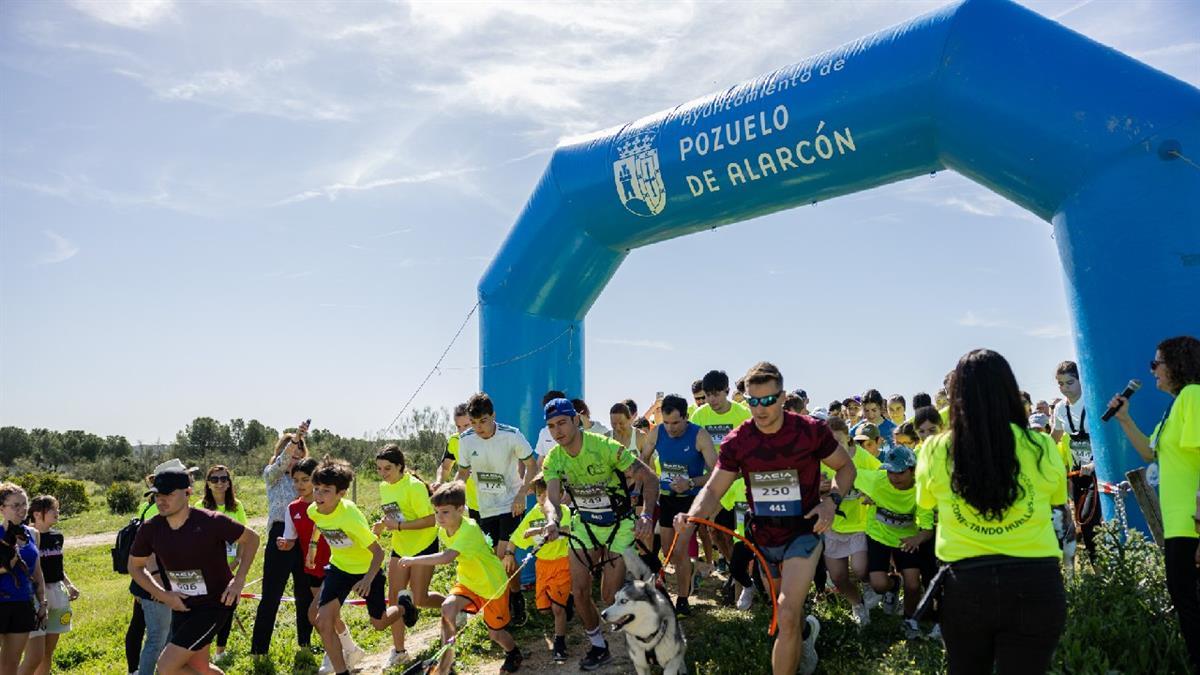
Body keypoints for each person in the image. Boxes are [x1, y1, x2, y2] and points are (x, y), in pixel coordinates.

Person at [677, 361, 855, 675]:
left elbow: (845, 467)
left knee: (785, 614)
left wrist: (831, 502)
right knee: (787, 612)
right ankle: (804, 637)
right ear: (746, 399)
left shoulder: (810, 432)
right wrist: (691, 518)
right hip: (763, 538)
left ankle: (796, 644)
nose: (761, 409)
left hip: (803, 531)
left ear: (783, 397)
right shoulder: (739, 440)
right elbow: (715, 488)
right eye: (754, 401)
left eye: (768, 400)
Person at [915, 348, 1067, 674]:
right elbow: (1057, 499)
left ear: (955, 397)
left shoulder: (935, 448)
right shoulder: (1041, 446)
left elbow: (926, 502)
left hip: (966, 584)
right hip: (1036, 581)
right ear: (1009, 392)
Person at [540, 398, 658, 671]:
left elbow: (649, 478)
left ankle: (646, 617)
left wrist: (647, 515)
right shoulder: (554, 458)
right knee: (579, 591)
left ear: (576, 421)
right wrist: (551, 519)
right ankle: (598, 646)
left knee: (609, 596)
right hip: (586, 524)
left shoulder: (604, 447)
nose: (557, 431)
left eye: (561, 423)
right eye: (551, 426)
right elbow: (552, 499)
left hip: (619, 524)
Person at [1109, 335, 1200, 670]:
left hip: (1193, 524)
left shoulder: (1193, 396)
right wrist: (1124, 418)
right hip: (1180, 524)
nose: (1152, 371)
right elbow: (1150, 451)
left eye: (1156, 363)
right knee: (1187, 604)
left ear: (1177, 364)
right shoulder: (1176, 405)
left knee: (1191, 607)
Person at [129, 463, 259, 675]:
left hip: (215, 604)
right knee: (199, 668)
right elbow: (135, 566)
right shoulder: (151, 528)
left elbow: (251, 539)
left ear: (188, 493)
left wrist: (238, 580)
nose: (161, 500)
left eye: (168, 495)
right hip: (182, 605)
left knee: (166, 667)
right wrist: (164, 595)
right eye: (157, 495)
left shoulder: (210, 521)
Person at [397, 481, 523, 675]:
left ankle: (513, 653)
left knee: (495, 634)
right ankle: (447, 665)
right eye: (437, 512)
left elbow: (447, 558)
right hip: (468, 582)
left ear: (461, 509)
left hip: (492, 584)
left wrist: (413, 561)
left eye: (445, 512)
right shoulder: (443, 530)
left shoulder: (469, 529)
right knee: (447, 608)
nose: (440, 517)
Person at [307, 458, 411, 675]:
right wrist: (313, 546)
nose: (318, 495)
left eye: (326, 491)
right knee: (323, 622)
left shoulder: (351, 518)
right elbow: (320, 523)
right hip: (339, 569)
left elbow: (378, 553)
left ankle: (404, 605)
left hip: (366, 570)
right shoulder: (314, 510)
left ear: (341, 493)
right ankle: (342, 671)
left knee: (379, 623)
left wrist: (367, 579)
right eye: (316, 488)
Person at [453, 392, 537, 626]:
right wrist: (452, 494)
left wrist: (522, 493)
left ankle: (506, 608)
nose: (479, 428)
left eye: (484, 421)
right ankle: (514, 595)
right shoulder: (467, 440)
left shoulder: (512, 435)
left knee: (503, 556)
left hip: (511, 503)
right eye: (474, 422)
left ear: (494, 416)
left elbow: (531, 465)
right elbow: (463, 472)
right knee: (493, 559)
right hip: (484, 507)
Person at [277, 457, 365, 675]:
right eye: (295, 480)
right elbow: (292, 537)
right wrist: (286, 544)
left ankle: (333, 656)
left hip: (335, 567)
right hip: (312, 568)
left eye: (305, 480)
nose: (300, 485)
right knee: (330, 617)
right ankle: (350, 649)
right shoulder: (294, 508)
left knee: (315, 615)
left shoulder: (330, 505)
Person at [640, 394, 717, 615]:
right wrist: (650, 478)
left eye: (676, 423)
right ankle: (688, 570)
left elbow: (715, 472)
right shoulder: (658, 432)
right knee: (669, 552)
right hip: (667, 498)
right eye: (666, 423)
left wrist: (691, 482)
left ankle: (682, 599)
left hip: (691, 499)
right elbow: (643, 457)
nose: (671, 429)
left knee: (681, 549)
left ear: (686, 417)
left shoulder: (699, 435)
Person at [855, 444, 933, 639]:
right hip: (878, 536)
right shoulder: (877, 480)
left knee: (914, 584)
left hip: (906, 540)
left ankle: (909, 620)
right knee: (879, 585)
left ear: (913, 470)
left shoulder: (920, 490)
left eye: (899, 472)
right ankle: (893, 584)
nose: (894, 477)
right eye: (890, 471)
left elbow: (928, 528)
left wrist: (917, 538)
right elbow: (848, 473)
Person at [372, 444, 437, 668]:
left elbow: (431, 520)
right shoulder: (384, 487)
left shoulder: (415, 487)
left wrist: (398, 525)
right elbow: (394, 512)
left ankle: (454, 607)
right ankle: (399, 651)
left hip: (423, 545)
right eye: (379, 469)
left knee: (419, 598)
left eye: (387, 469)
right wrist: (383, 524)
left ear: (400, 467)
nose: (383, 474)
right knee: (395, 597)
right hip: (400, 547)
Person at [251, 420, 313, 658]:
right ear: (281, 453)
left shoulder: (307, 481)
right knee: (271, 595)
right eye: (291, 452)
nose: (295, 456)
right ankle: (259, 651)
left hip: (304, 536)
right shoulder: (272, 475)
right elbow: (280, 464)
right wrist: (295, 438)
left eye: (299, 452)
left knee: (304, 593)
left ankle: (305, 646)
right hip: (280, 535)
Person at [690, 369, 752, 602]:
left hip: (738, 485)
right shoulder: (700, 415)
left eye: (717, 394)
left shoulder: (742, 414)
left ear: (727, 391)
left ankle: (744, 577)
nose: (712, 400)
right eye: (708, 395)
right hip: (713, 484)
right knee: (716, 532)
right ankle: (736, 573)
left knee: (740, 534)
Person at [821, 417, 882, 629]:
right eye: (829, 442)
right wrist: (820, 489)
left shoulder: (863, 458)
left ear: (848, 437)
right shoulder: (822, 460)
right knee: (838, 577)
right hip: (834, 525)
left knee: (860, 568)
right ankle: (857, 604)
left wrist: (871, 492)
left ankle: (869, 586)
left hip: (860, 524)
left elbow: (882, 477)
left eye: (838, 441)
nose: (834, 447)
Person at [509, 475, 573, 663]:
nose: (543, 499)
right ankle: (567, 599)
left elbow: (566, 530)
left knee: (557, 608)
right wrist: (508, 553)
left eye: (548, 494)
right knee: (545, 609)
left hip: (562, 563)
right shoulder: (533, 514)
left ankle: (559, 644)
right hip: (542, 566)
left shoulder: (563, 511)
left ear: (560, 495)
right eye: (539, 495)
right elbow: (515, 538)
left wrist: (538, 531)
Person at [18, 495, 80, 675]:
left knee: (47, 652)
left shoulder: (57, 536)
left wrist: (69, 585)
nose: (57, 512)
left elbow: (57, 568)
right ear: (37, 514)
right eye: (53, 509)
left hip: (57, 593)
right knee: (32, 655)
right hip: (36, 596)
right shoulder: (25, 537)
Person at [126, 465, 178, 675]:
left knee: (158, 634)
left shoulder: (157, 506)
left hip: (155, 582)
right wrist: (159, 588)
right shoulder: (160, 509)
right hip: (156, 583)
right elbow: (149, 554)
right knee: (158, 638)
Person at [197, 465, 248, 663]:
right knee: (206, 611)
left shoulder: (237, 506)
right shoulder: (199, 505)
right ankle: (203, 652)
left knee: (227, 610)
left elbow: (245, 537)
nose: (220, 483)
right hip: (207, 569)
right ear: (208, 483)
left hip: (231, 569)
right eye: (215, 479)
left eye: (224, 479)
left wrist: (236, 561)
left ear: (229, 483)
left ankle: (220, 652)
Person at [1050, 360, 1099, 559]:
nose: (1064, 388)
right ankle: (1098, 574)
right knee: (1085, 525)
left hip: (1098, 471)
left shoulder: (1093, 400)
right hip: (1078, 474)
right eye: (1060, 384)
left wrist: (1096, 464)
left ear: (1081, 381)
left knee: (1094, 520)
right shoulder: (1060, 408)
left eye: (1069, 383)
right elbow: (1054, 438)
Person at [0, 482, 43, 675]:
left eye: (24, 504)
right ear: (2, 509)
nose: (21, 509)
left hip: (22, 603)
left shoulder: (32, 533)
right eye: (15, 505)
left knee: (10, 665)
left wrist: (42, 602)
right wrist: (11, 555)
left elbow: (37, 572)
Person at [435, 403, 480, 519]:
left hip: (497, 505)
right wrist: (439, 482)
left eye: (466, 425)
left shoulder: (486, 439)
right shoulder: (454, 440)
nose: (462, 431)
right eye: (458, 427)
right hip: (473, 506)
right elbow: (445, 467)